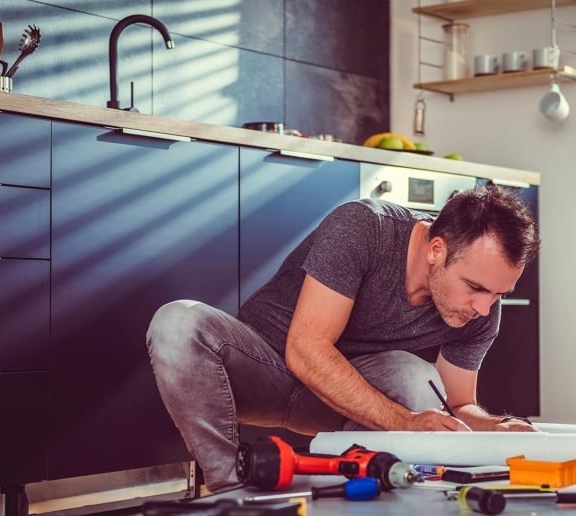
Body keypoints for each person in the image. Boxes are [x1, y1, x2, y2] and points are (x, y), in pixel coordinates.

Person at [147, 184, 540, 492]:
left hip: (345, 406)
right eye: (475, 287)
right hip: (265, 370)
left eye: (498, 294)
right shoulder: (364, 227)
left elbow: (458, 403)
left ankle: (367, 493)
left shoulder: (481, 304)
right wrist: (405, 423)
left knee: (414, 377)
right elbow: (305, 351)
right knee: (178, 322)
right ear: (437, 250)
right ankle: (228, 486)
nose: (485, 308)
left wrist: (495, 427)